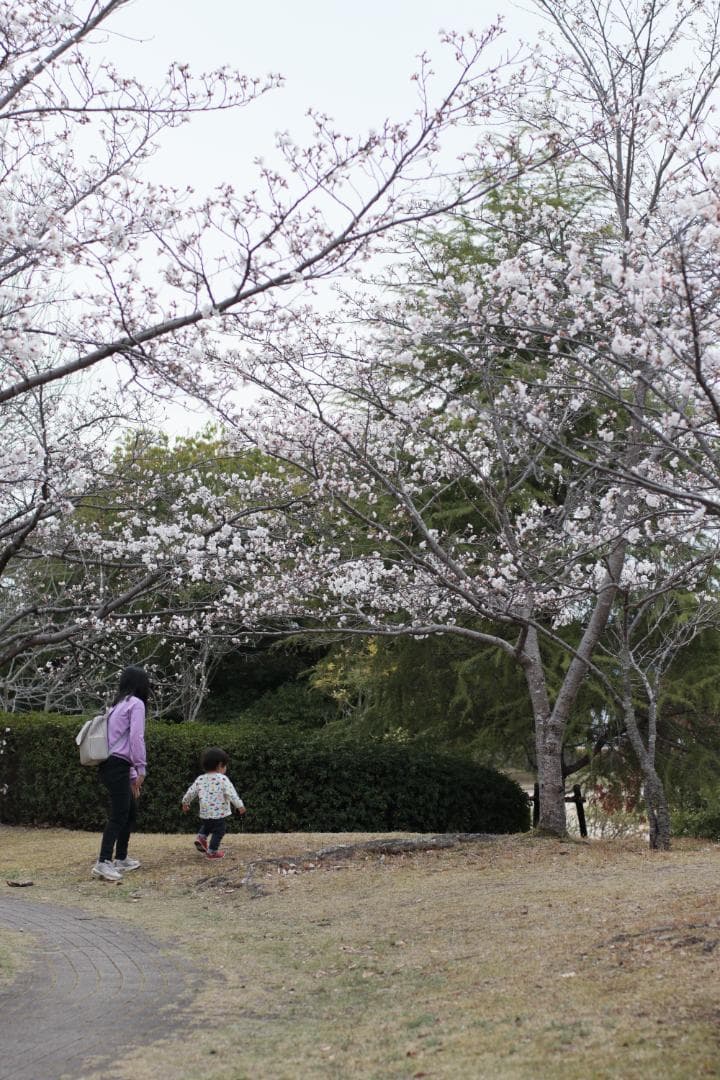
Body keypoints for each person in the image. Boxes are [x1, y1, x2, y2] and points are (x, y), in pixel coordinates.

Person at [91, 665, 149, 882]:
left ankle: (121, 858)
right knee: (119, 814)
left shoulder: (117, 705)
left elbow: (120, 742)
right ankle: (103, 862)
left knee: (129, 810)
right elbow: (135, 739)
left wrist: (132, 776)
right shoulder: (136, 704)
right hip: (117, 765)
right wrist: (141, 768)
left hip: (114, 764)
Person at [182, 747, 246, 859]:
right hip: (219, 813)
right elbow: (232, 794)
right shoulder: (223, 779)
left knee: (207, 825)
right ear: (220, 765)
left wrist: (185, 803)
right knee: (219, 831)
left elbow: (190, 792)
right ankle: (212, 851)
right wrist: (240, 806)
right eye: (225, 765)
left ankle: (201, 838)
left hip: (205, 812)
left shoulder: (200, 779)